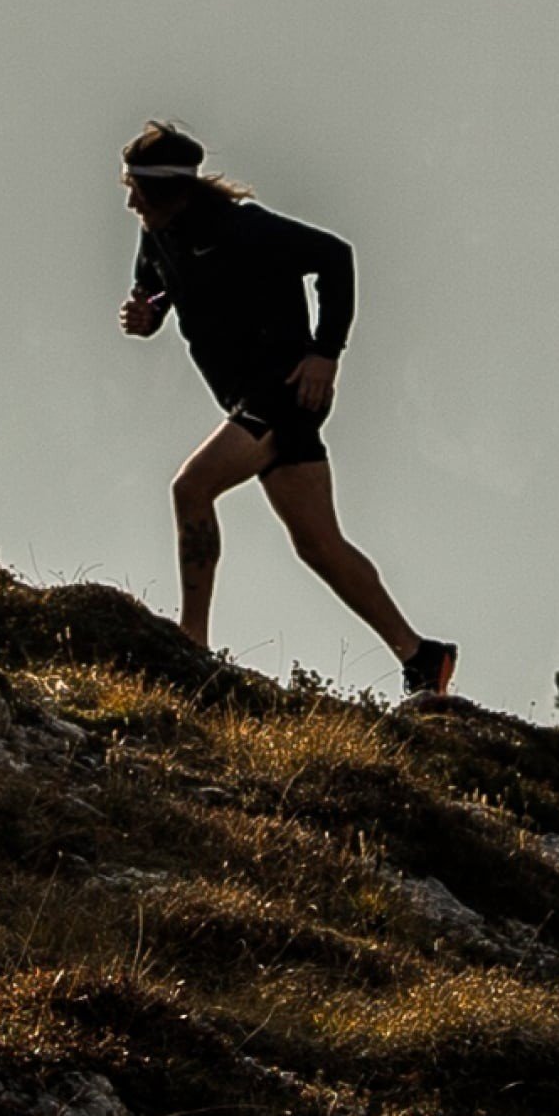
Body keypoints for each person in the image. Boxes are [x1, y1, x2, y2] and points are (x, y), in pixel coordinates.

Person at [117, 120, 455, 696]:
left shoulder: (242, 228)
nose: (130, 201)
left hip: (281, 390)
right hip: (245, 394)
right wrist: (146, 317)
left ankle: (191, 642)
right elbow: (154, 292)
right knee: (319, 544)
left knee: (191, 488)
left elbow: (335, 257)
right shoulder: (159, 232)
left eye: (137, 191)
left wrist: (326, 353)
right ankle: (422, 655)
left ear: (170, 190)